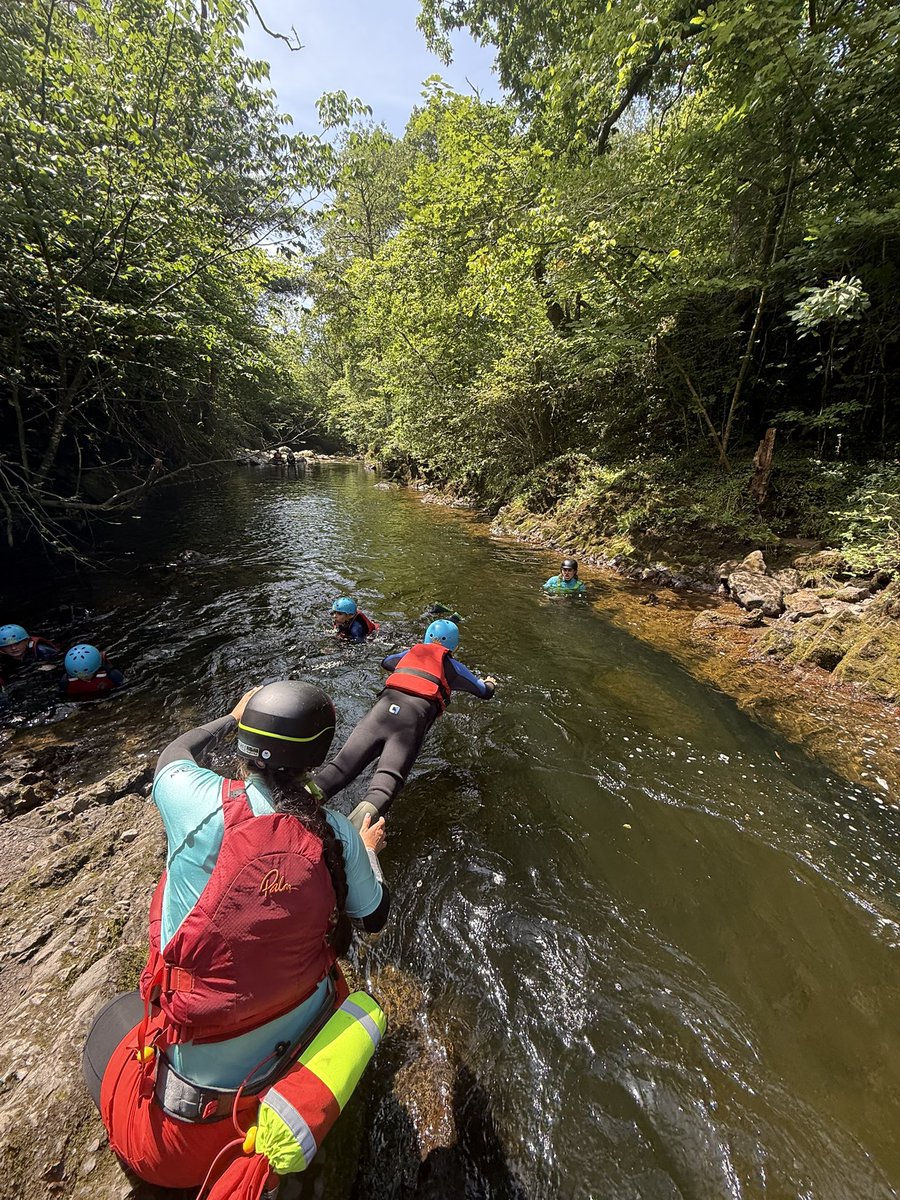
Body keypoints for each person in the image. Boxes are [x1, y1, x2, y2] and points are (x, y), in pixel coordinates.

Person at [83, 681, 389, 1192]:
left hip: (182, 1147)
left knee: (106, 1026)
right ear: (316, 758)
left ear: (246, 745)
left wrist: (230, 716)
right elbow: (373, 916)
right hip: (284, 1084)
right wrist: (366, 849)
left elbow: (172, 755)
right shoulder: (337, 835)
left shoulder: (194, 801)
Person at [316, 619, 497, 827]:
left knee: (338, 768)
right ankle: (346, 844)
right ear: (454, 646)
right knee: (383, 788)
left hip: (380, 714)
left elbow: (386, 662)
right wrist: (490, 682)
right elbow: (484, 692)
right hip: (409, 724)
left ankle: (291, 809)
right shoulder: (453, 667)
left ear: (426, 637)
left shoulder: (410, 653)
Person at [0, 623, 60, 695]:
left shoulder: (43, 651)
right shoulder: (3, 660)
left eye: (17, 643)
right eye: (8, 646)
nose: (13, 648)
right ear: (2, 649)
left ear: (26, 641)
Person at [60, 643, 125, 699]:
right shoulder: (66, 682)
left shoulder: (111, 674)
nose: (84, 678)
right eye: (80, 676)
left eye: (87, 675)